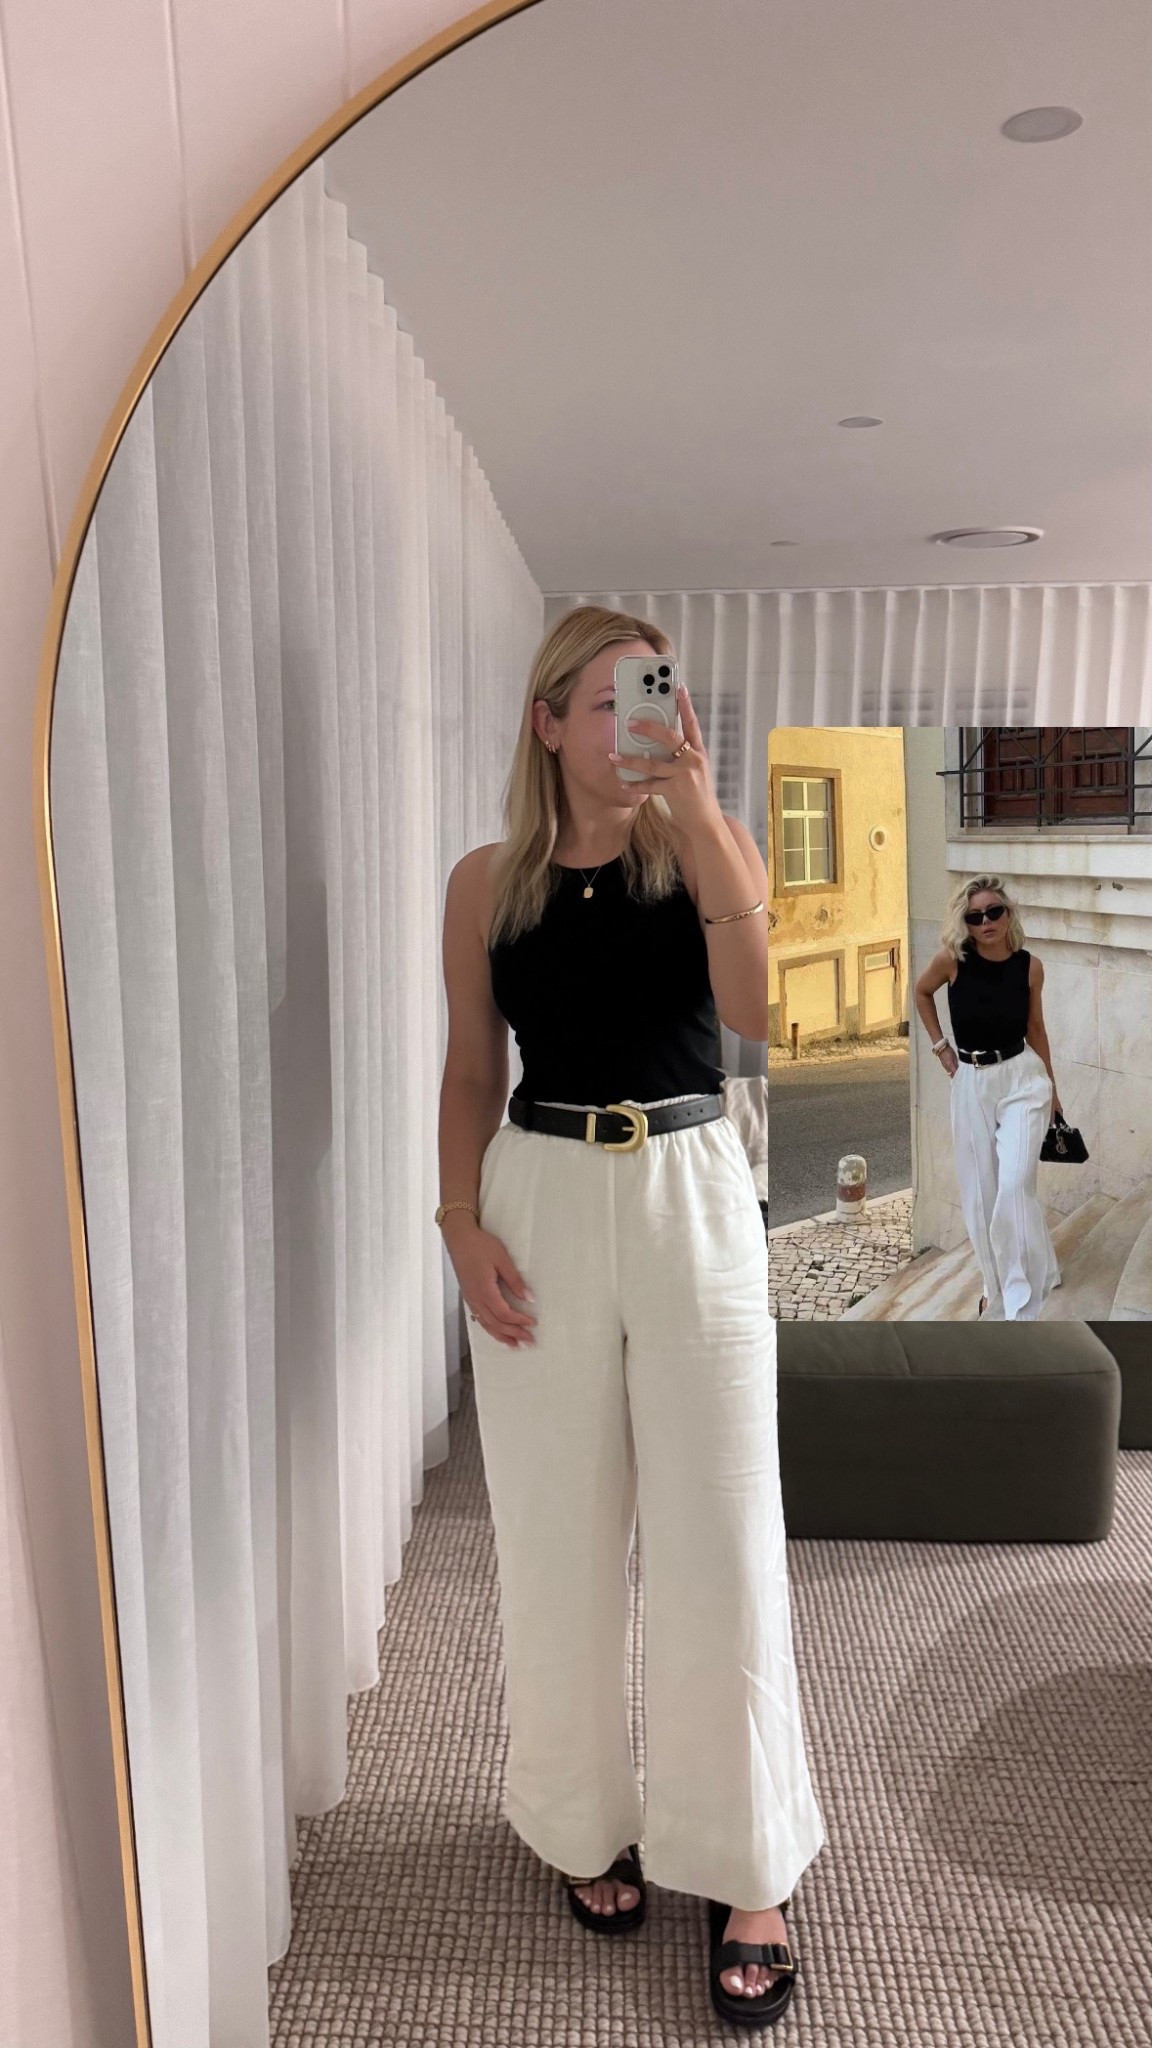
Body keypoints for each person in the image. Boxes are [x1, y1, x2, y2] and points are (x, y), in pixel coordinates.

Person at [435, 604, 825, 2025]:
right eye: (602, 702)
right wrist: (459, 1223)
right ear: (546, 723)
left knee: (723, 1532)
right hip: (537, 1191)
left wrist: (705, 815)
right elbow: (470, 1070)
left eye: (650, 695)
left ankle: (747, 1861)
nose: (630, 725)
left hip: (689, 1187)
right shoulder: (486, 882)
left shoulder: (707, 853)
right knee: (555, 1532)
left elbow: (758, 1015)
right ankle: (579, 1816)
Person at [914, 874, 1062, 1321]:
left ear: (1008, 913)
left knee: (1014, 1185)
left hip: (1023, 1080)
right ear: (966, 923)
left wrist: (1054, 1092)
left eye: (994, 912)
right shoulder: (952, 961)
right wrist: (941, 1047)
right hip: (972, 1083)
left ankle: (1018, 1303)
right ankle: (997, 1283)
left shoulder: (1030, 967)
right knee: (982, 1196)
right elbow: (921, 992)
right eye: (975, 917)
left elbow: (1036, 1029)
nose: (985, 923)